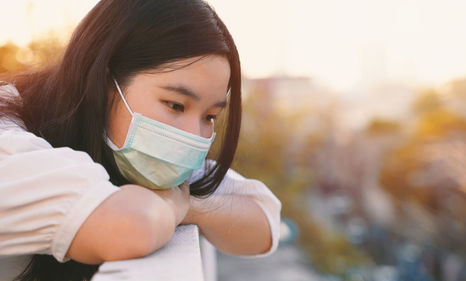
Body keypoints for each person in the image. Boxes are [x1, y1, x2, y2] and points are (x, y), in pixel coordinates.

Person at [0, 0, 281, 280]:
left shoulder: (136, 157)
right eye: (175, 105)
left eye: (210, 116)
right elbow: (132, 228)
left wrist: (190, 206)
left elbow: (263, 223)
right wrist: (172, 204)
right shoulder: (12, 146)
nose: (192, 135)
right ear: (105, 83)